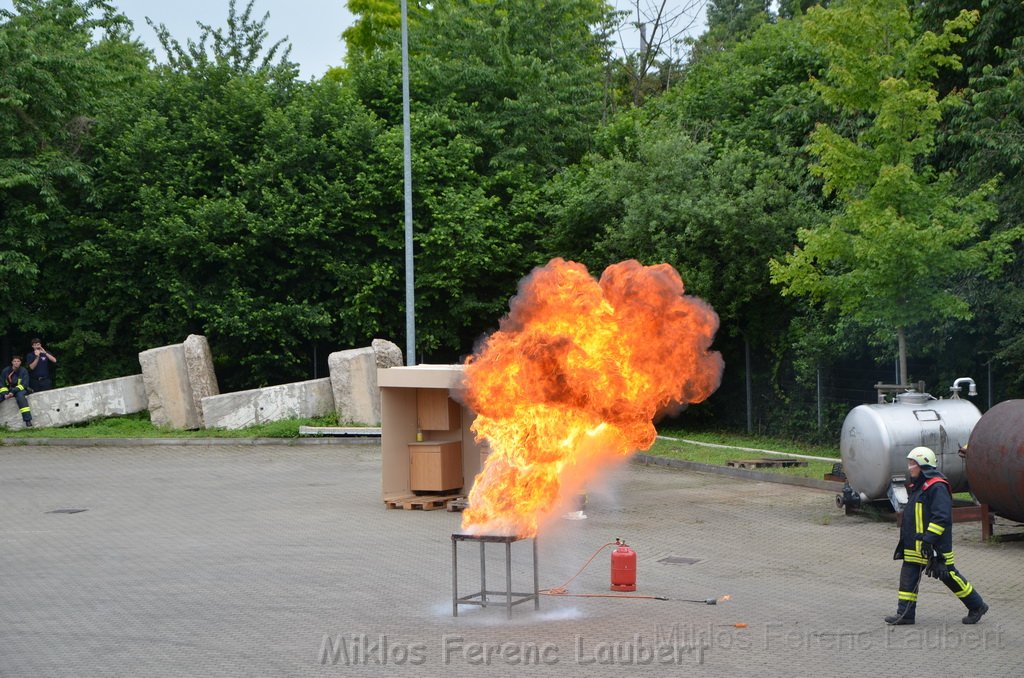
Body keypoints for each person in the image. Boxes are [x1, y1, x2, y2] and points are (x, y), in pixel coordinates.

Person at [886, 446, 988, 625]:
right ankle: (905, 614)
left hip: (934, 545)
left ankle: (977, 605)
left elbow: (941, 518)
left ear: (923, 466)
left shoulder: (937, 486)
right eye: (909, 463)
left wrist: (929, 540)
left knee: (948, 574)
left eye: (913, 463)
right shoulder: (918, 485)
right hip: (914, 544)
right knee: (908, 574)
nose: (909, 467)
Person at [0, 356, 33, 427]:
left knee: (21, 397)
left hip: (20, 390)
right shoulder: (5, 371)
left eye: (18, 361)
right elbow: (2, 384)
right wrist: (4, 394)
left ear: (20, 363)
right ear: (12, 362)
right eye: (14, 361)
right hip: (8, 391)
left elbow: (24, 384)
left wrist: (13, 392)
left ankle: (28, 420)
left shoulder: (23, 371)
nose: (16, 363)